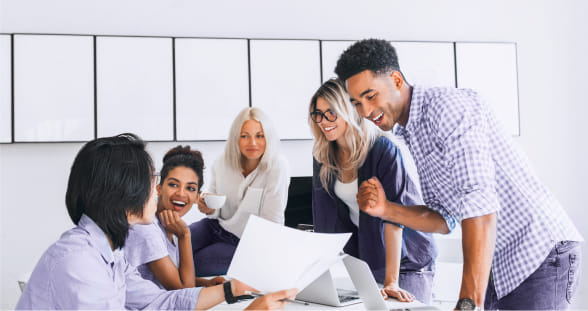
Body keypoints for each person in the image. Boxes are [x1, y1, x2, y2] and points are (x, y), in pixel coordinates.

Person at [336, 39, 583, 310]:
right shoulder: (412, 131)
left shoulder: (447, 107)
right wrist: (386, 209)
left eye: (370, 96)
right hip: (497, 262)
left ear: (396, 80)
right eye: (356, 103)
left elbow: (480, 203)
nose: (366, 111)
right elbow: (445, 220)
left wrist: (468, 303)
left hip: (537, 252)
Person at [15, 133, 297, 310]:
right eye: (153, 180)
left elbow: (159, 301)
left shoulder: (109, 254)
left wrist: (230, 290)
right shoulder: (78, 260)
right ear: (124, 190)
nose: (156, 189)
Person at [308, 78, 437, 304]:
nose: (323, 121)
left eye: (331, 113)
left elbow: (394, 219)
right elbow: (323, 218)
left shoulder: (383, 150)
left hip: (406, 262)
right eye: (318, 114)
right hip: (368, 257)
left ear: (349, 110)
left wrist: (392, 281)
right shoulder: (323, 156)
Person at [189, 107, 291, 276]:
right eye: (245, 136)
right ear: (236, 137)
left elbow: (272, 222)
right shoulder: (222, 162)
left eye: (259, 136)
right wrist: (209, 209)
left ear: (268, 137)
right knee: (176, 244)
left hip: (245, 245)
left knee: (193, 264)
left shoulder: (277, 166)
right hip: (215, 227)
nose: (252, 143)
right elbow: (215, 209)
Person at [125, 145, 225, 289]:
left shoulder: (171, 224)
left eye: (190, 188)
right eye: (173, 184)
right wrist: (185, 236)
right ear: (159, 188)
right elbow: (183, 292)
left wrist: (206, 283)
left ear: (197, 197)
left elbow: (174, 277)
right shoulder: (147, 230)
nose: (181, 194)